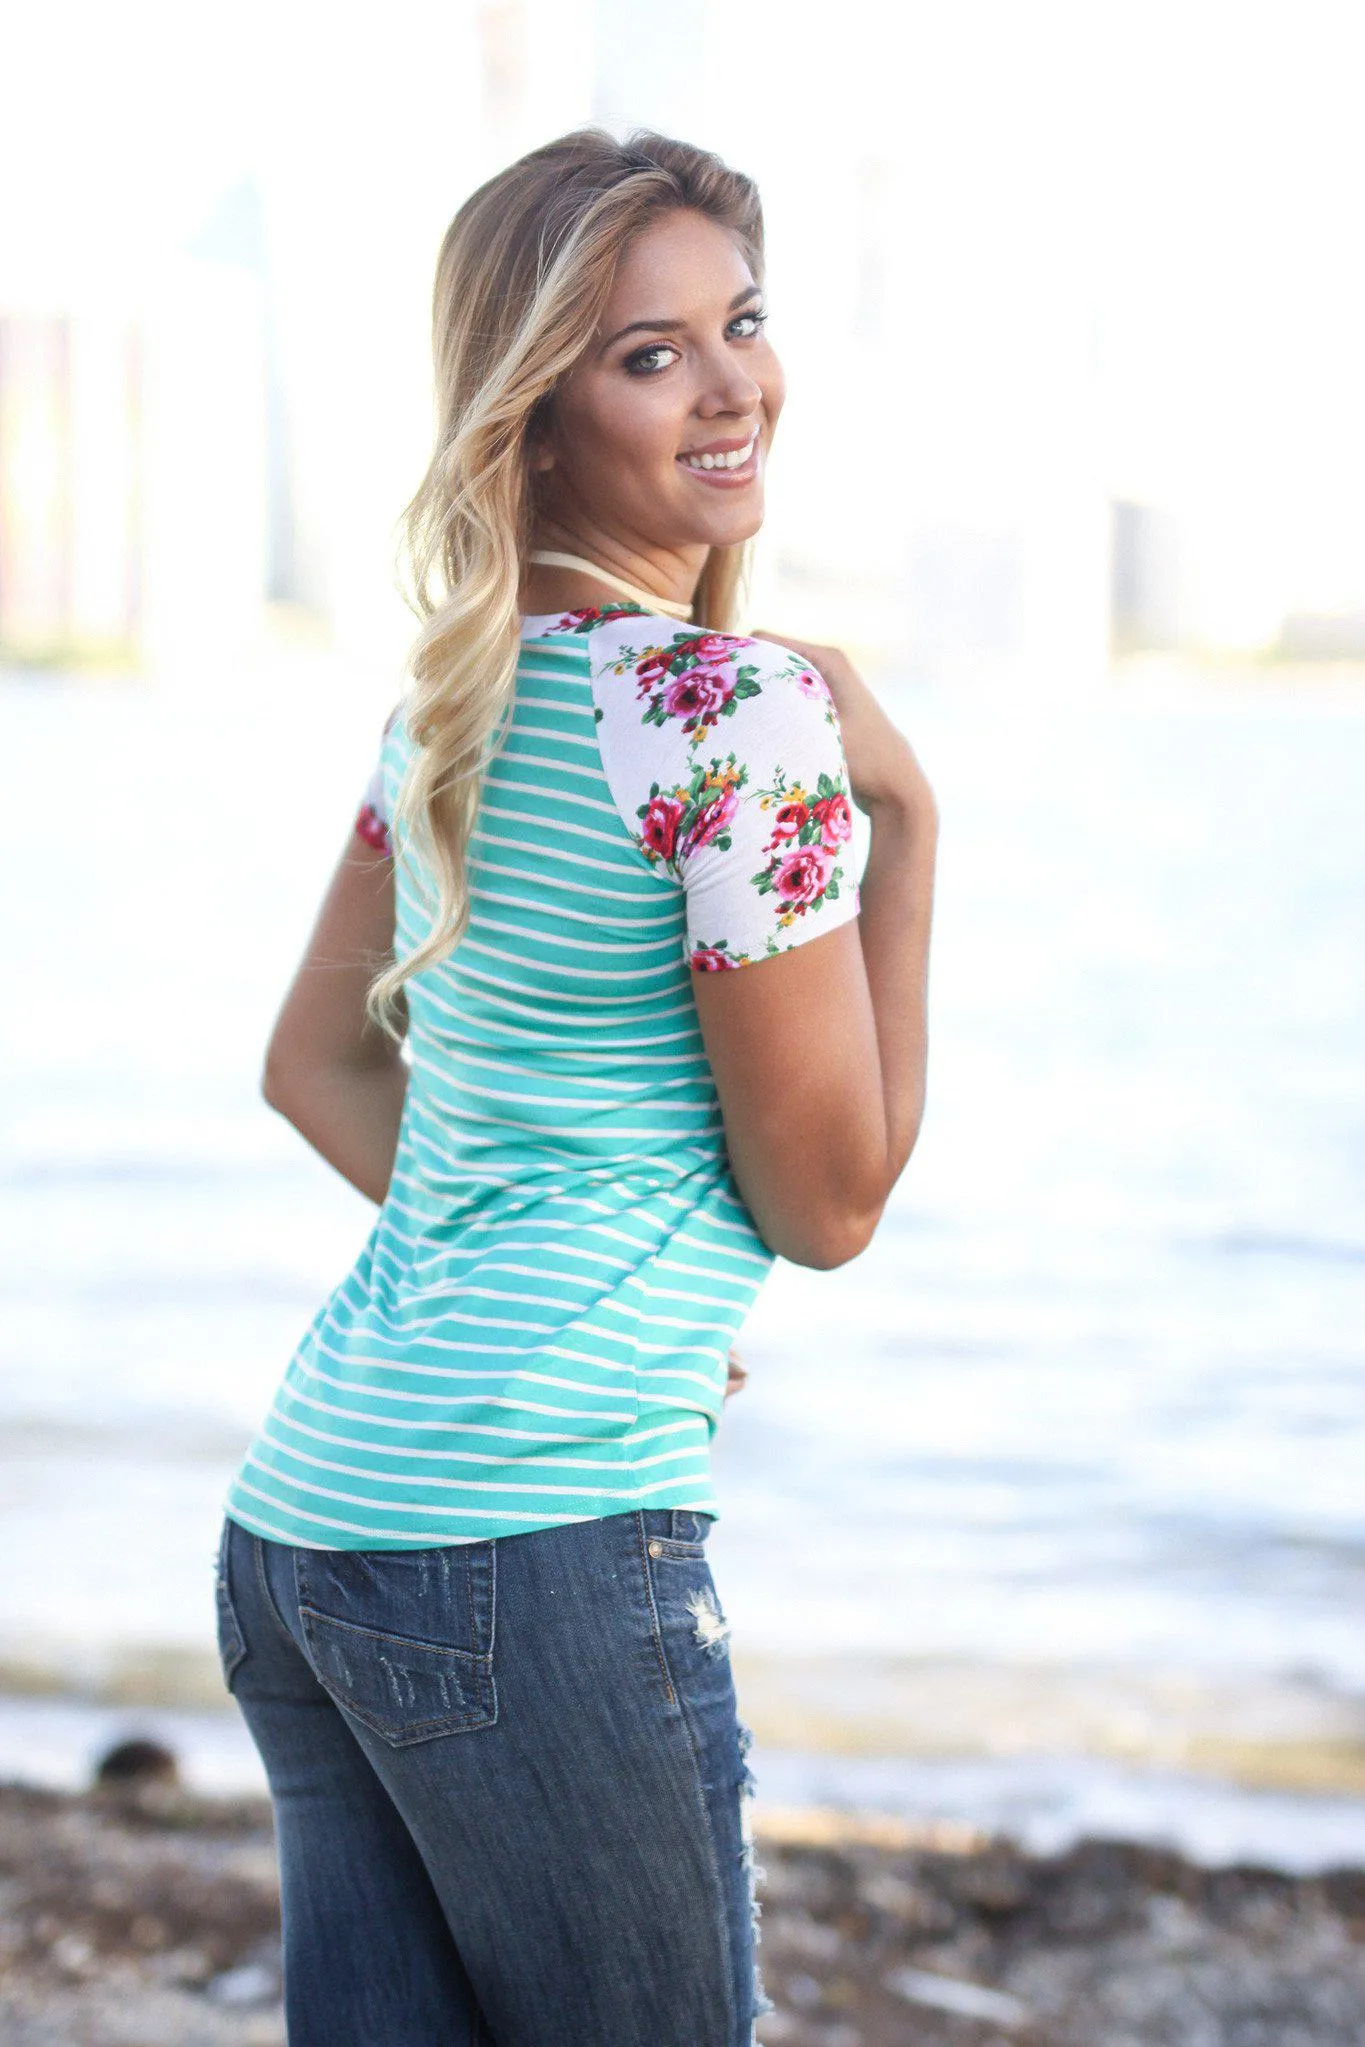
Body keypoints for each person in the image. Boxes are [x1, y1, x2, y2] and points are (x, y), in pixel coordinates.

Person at [212, 127, 937, 2047]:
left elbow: (313, 1068)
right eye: (650, 352)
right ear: (535, 411)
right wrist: (913, 831)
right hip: (526, 1542)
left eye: (744, 325)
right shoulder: (737, 718)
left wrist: (526, 1275)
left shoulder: (452, 701)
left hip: (308, 1522)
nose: (731, 385)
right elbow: (834, 1204)